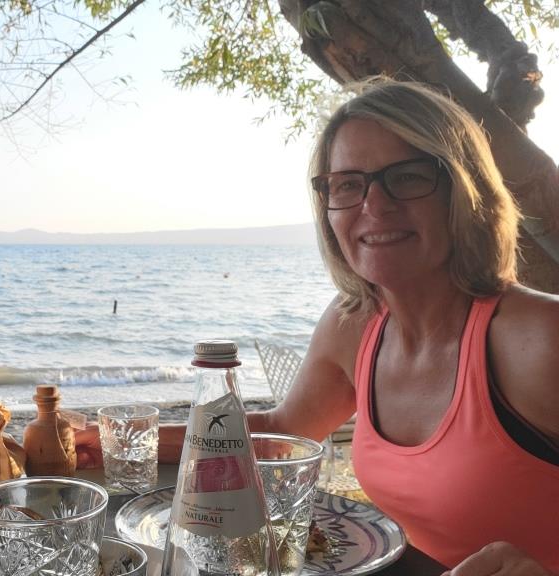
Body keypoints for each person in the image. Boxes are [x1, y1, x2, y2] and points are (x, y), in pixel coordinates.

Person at [76, 78, 559, 575]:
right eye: (348, 184)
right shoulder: (355, 323)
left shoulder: (539, 340)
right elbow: (281, 432)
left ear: (465, 190)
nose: (374, 205)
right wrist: (111, 440)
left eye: (408, 177)